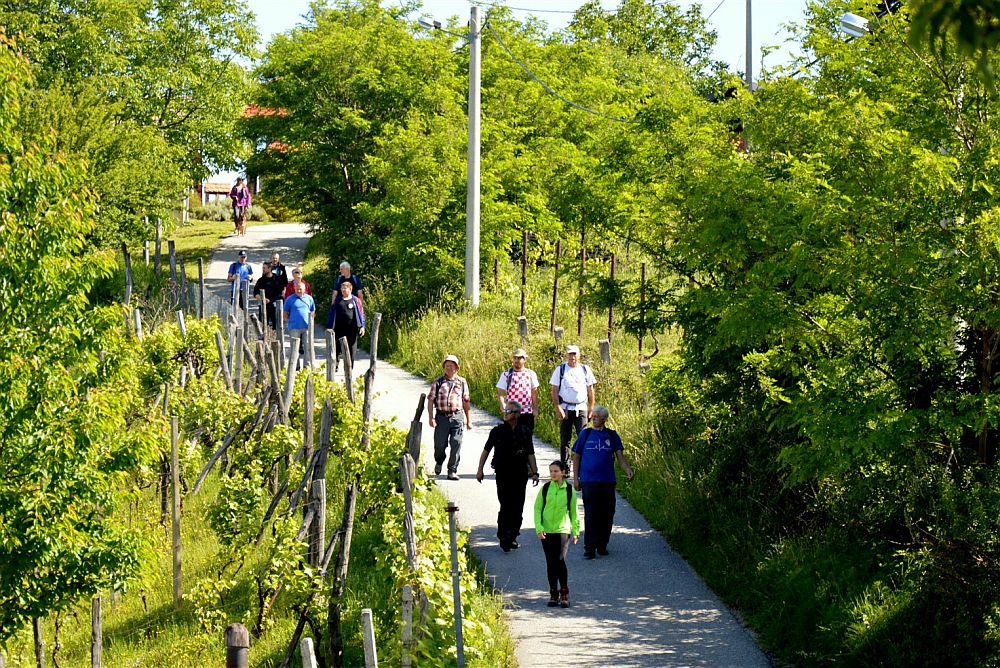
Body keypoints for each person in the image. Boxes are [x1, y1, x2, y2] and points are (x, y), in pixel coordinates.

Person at [571, 405, 635, 560]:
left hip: (607, 481)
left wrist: (628, 469)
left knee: (607, 514)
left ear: (604, 419)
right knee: (591, 514)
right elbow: (576, 457)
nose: (593, 418)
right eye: (592, 416)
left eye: (597, 417)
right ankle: (589, 548)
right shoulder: (585, 434)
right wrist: (576, 478)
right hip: (589, 481)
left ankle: (602, 544)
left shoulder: (612, 435)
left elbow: (620, 457)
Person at [476, 400, 540, 552]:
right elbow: (486, 450)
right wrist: (480, 469)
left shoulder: (525, 431)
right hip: (503, 473)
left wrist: (535, 472)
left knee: (518, 505)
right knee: (505, 504)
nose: (505, 413)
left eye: (509, 411)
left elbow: (530, 453)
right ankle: (503, 535)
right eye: (505, 411)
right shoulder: (497, 431)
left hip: (520, 473)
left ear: (517, 414)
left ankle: (512, 535)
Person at [534, 460, 579, 608]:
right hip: (547, 530)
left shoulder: (569, 490)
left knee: (560, 560)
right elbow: (537, 508)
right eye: (551, 471)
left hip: (562, 530)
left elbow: (574, 512)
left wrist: (576, 531)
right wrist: (539, 528)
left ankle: (564, 592)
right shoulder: (546, 488)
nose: (553, 474)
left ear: (563, 472)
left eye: (556, 471)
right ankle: (553, 593)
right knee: (551, 562)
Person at [427, 354, 472, 480]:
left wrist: (469, 420)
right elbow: (430, 400)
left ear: (456, 368)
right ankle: (439, 460)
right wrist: (431, 418)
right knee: (439, 445)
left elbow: (466, 402)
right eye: (447, 365)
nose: (449, 368)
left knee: (456, 443)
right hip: (441, 418)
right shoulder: (438, 381)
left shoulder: (462, 382)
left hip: (457, 417)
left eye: (451, 366)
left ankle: (452, 470)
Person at [549, 345, 596, 464]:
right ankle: (565, 466)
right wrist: (557, 407)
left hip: (581, 407)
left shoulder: (585, 369)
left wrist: (591, 408)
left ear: (579, 355)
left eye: (574, 354)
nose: (572, 357)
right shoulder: (560, 369)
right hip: (565, 408)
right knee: (565, 439)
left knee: (583, 437)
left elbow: (590, 389)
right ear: (566, 355)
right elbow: (554, 390)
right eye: (570, 354)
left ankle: (583, 465)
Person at [496, 348, 540, 434]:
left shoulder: (531, 374)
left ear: (525, 359)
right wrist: (503, 405)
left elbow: (534, 393)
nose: (516, 360)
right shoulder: (506, 374)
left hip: (527, 412)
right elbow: (500, 392)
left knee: (527, 438)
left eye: (519, 358)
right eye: (515, 358)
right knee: (511, 438)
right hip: (512, 413)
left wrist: (535, 409)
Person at [328, 280, 366, 370]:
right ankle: (335, 366)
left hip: (352, 330)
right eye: (342, 289)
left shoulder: (356, 300)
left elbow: (361, 314)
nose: (343, 290)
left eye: (345, 289)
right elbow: (332, 314)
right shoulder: (337, 300)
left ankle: (349, 368)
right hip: (338, 329)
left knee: (351, 350)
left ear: (350, 289)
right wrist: (329, 326)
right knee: (337, 348)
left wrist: (362, 326)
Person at [283, 280, 315, 369]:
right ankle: (295, 367)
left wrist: (311, 321)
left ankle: (307, 367)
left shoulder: (309, 298)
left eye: (300, 289)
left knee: (308, 347)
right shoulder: (290, 299)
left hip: (307, 327)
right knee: (294, 348)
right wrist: (291, 321)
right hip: (294, 327)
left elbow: (313, 311)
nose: (299, 291)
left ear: (304, 289)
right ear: (294, 289)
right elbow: (285, 313)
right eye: (297, 289)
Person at [253, 261, 284, 328]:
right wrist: (261, 298)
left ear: (270, 268)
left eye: (264, 268)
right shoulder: (261, 280)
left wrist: (270, 300)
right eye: (262, 268)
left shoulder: (277, 279)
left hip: (275, 306)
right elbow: (255, 292)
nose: (263, 269)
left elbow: (280, 294)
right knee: (263, 326)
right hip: (263, 306)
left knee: (276, 326)